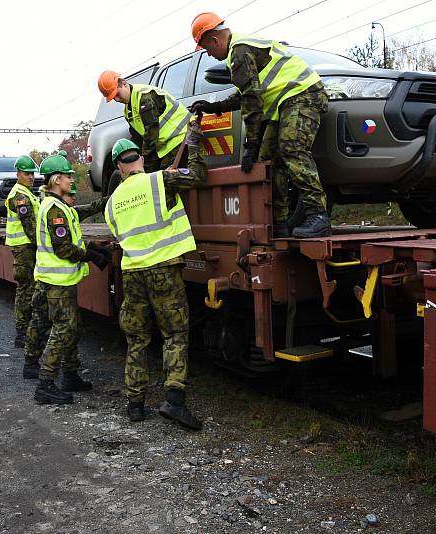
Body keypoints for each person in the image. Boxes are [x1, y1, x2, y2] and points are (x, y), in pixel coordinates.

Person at [190, 12, 332, 238]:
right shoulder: (241, 50)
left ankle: (318, 215)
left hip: (304, 95)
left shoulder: (239, 51)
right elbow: (246, 94)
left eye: (207, 48)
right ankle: (279, 222)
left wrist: (251, 142)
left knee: (291, 148)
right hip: (284, 104)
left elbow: (252, 100)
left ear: (214, 40)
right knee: (268, 161)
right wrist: (215, 108)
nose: (209, 54)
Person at [103, 118, 206, 430]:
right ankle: (174, 402)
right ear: (141, 159)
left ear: (117, 168)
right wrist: (195, 142)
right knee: (174, 334)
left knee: (136, 339)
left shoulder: (111, 204)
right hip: (163, 269)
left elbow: (120, 236)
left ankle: (135, 405)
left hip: (133, 274)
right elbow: (198, 175)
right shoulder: (160, 180)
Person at [32, 152, 111, 404]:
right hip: (57, 281)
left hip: (61, 280)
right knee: (63, 330)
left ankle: (70, 375)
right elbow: (64, 249)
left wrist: (113, 197)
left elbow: (85, 210)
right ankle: (45, 383)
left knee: (71, 328)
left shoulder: (61, 207)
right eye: (67, 176)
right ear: (56, 180)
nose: (70, 180)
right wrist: (90, 254)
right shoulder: (55, 211)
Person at [97, 70, 191, 173]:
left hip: (182, 138)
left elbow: (151, 133)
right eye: (113, 98)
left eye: (117, 94)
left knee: (166, 180)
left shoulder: (144, 97)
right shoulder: (128, 112)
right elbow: (138, 138)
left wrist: (144, 165)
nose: (117, 99)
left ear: (124, 83)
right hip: (167, 146)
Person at [5, 155, 39, 349]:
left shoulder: (26, 193)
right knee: (26, 289)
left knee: (27, 289)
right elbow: (29, 227)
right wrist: (43, 245)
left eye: (32, 173)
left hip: (25, 247)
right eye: (27, 174)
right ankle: (21, 333)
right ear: (18, 174)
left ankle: (24, 331)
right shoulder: (20, 196)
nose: (31, 177)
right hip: (24, 247)